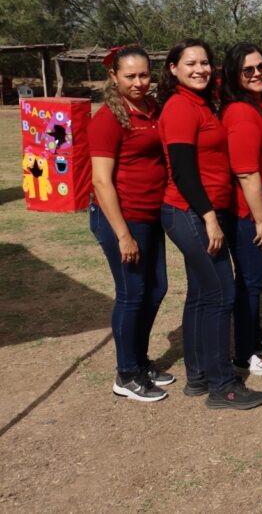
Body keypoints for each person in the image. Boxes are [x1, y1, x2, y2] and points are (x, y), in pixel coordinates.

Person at [157, 39, 262, 410]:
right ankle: (223, 386)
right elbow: (184, 171)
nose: (200, 69)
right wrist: (208, 218)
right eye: (191, 63)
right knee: (222, 294)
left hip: (202, 211)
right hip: (190, 212)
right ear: (173, 68)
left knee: (202, 294)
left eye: (205, 62)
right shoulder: (179, 108)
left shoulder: (199, 103)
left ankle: (199, 374)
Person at [89, 45, 172, 402]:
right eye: (130, 76)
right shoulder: (108, 117)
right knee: (132, 294)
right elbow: (100, 181)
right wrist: (123, 234)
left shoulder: (151, 108)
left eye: (144, 75)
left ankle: (138, 359)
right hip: (122, 219)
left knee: (157, 289)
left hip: (151, 215)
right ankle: (125, 374)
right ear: (114, 77)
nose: (139, 82)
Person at [219, 43, 262, 378]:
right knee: (250, 282)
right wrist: (261, 219)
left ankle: (254, 339)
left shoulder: (261, 104)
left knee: (254, 280)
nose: (258, 73)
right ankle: (244, 354)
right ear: (235, 75)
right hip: (249, 213)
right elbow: (246, 172)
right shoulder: (243, 113)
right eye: (249, 70)